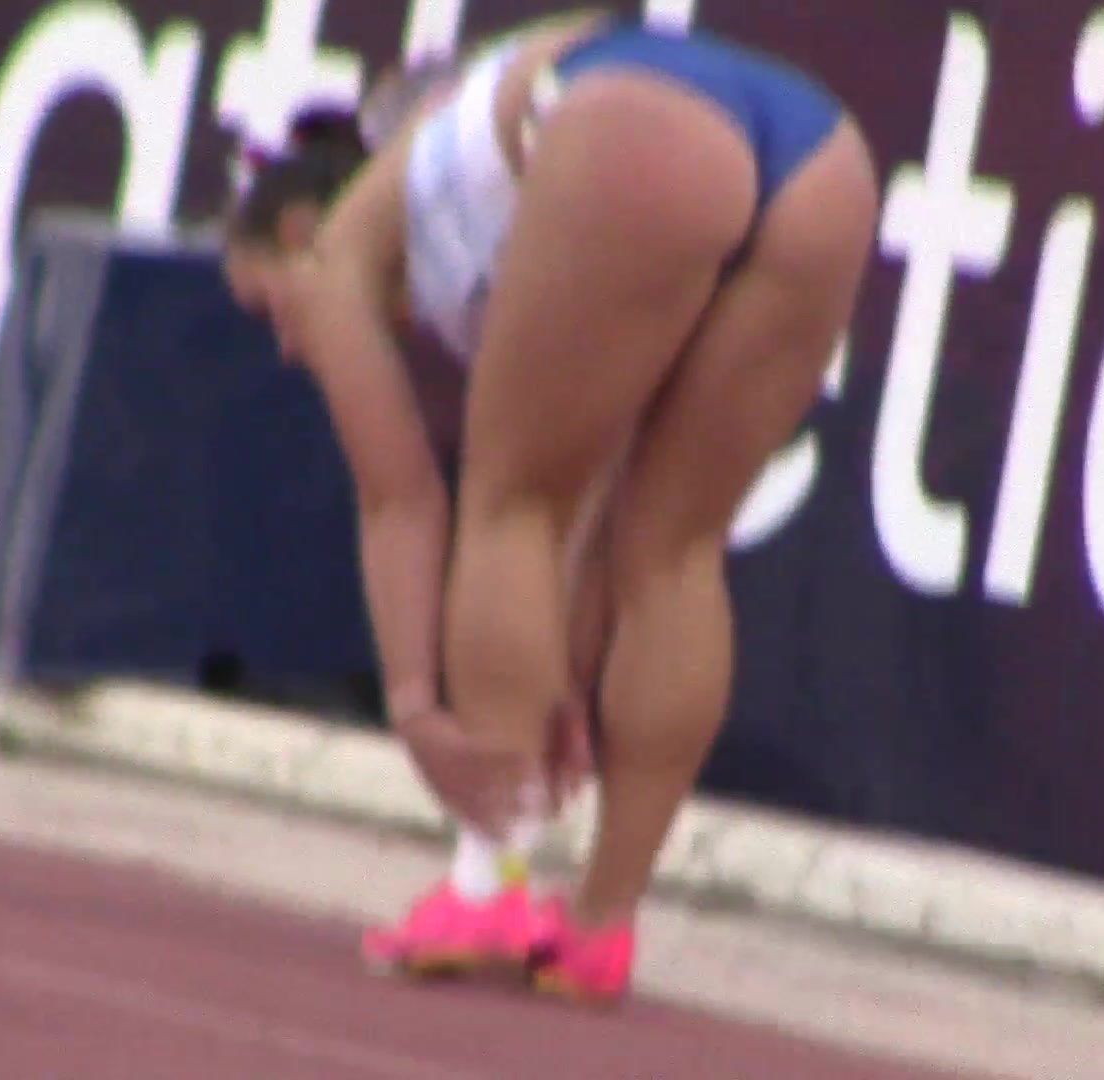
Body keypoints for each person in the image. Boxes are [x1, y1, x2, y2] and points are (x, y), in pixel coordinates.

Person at [221, 9, 877, 1005]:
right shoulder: (482, 179)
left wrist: (417, 708)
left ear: (295, 235)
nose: (284, 342)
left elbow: (403, 502)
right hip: (821, 157)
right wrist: (552, 661)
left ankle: (488, 888)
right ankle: (601, 925)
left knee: (504, 501)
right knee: (674, 550)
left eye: (264, 307)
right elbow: (598, 483)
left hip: (642, 126)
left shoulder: (337, 255)